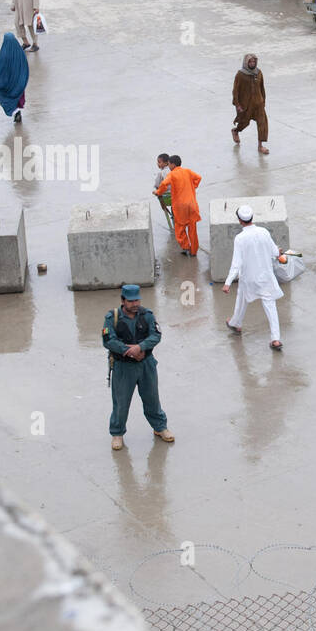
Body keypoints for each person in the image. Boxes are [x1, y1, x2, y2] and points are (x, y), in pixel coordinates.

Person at [102, 284, 172, 451]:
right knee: (121, 402)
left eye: (137, 300)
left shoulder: (146, 315)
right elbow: (108, 340)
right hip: (123, 367)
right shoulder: (112, 317)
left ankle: (160, 427)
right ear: (123, 301)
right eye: (131, 301)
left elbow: (156, 335)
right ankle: (117, 433)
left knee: (152, 398)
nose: (135, 304)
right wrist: (129, 351)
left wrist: (140, 348)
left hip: (146, 364)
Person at [223, 204, 286, 351]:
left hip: (248, 278)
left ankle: (236, 323)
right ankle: (275, 339)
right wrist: (278, 251)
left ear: (240, 220)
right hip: (265, 277)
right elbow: (274, 252)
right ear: (252, 217)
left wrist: (228, 282)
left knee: (242, 299)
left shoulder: (240, 238)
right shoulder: (263, 232)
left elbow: (236, 263)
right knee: (270, 306)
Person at [154, 154, 202, 256]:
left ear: (172, 164)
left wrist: (158, 192)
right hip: (192, 204)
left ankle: (185, 247)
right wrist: (193, 187)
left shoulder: (172, 174)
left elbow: (163, 184)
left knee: (179, 228)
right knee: (192, 229)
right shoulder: (187, 171)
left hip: (180, 206)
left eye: (170, 164)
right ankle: (194, 251)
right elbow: (198, 178)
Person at [0, 32, 29, 124]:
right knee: (17, 97)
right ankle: (17, 113)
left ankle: (16, 113)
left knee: (8, 97)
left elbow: (1, 69)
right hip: (19, 81)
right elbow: (25, 65)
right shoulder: (20, 52)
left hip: (8, 82)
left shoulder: (4, 54)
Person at [231, 53, 269, 154]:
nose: (252, 63)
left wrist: (263, 101)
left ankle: (260, 146)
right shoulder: (240, 74)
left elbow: (262, 88)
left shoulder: (259, 73)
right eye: (250, 62)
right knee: (244, 122)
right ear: (246, 62)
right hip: (246, 105)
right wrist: (237, 104)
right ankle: (236, 131)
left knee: (262, 123)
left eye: (254, 61)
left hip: (258, 104)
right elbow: (235, 90)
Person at [153, 152, 173, 226]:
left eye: (159, 162)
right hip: (176, 195)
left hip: (166, 198)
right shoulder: (174, 170)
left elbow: (157, 185)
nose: (157, 164)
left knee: (156, 191)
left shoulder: (161, 173)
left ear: (166, 163)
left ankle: (170, 223)